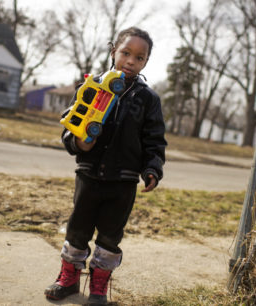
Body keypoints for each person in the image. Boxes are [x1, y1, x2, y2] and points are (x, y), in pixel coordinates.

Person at [44, 27, 166, 305]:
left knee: (110, 235)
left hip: (123, 181)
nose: (130, 61)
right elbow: (70, 125)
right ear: (114, 51)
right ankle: (69, 277)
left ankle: (99, 285)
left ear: (146, 62)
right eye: (125, 53)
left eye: (139, 57)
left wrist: (152, 169)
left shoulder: (148, 100)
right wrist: (79, 143)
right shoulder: (91, 86)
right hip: (89, 175)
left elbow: (154, 141)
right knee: (77, 229)